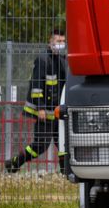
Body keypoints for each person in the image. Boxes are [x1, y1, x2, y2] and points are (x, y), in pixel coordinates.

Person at [5, 28, 68, 173]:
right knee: (40, 145)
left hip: (59, 111)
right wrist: (40, 108)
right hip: (44, 112)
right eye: (58, 41)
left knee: (64, 143)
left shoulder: (63, 61)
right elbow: (36, 84)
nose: (61, 44)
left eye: (63, 41)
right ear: (50, 41)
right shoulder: (42, 59)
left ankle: (65, 173)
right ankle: (15, 162)